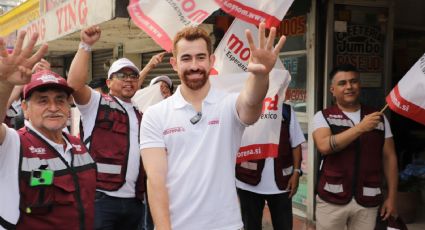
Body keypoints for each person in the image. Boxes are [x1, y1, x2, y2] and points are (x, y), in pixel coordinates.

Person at [140, 23, 286, 229]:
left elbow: (251, 103)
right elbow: (155, 180)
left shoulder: (229, 104)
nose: (194, 66)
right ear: (174, 63)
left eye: (200, 57)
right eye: (186, 58)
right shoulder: (155, 115)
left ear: (211, 61)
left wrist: (260, 75)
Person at [0, 31, 96, 229]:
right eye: (42, 101)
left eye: (60, 100)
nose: (53, 107)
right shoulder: (14, 144)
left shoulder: (77, 145)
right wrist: (5, 84)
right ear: (25, 109)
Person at [67, 26, 145, 230]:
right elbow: (74, 84)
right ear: (109, 82)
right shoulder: (97, 103)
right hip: (101, 199)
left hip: (135, 201)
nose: (129, 79)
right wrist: (85, 45)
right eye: (122, 75)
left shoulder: (141, 114)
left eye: (133, 76)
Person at [312, 64, 398, 230]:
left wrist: (392, 197)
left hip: (368, 198)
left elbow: (390, 157)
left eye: (353, 81)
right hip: (332, 198)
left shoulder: (378, 118)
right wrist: (360, 128)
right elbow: (324, 146)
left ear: (360, 85)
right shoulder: (323, 116)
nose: (349, 87)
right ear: (332, 89)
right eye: (342, 83)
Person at [236, 103, 305, 230]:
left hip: (282, 185)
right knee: (250, 226)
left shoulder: (286, 111)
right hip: (247, 182)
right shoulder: (243, 107)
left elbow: (296, 144)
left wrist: (296, 172)